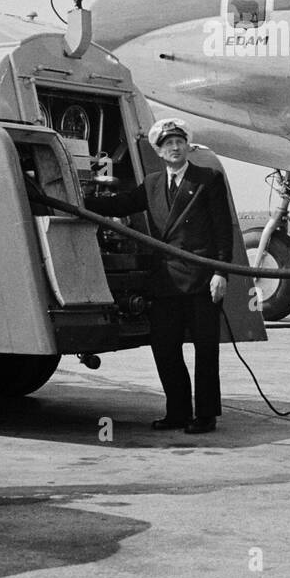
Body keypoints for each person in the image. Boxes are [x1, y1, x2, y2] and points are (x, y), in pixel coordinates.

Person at [85, 117, 231, 434]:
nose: (174, 148)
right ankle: (177, 412)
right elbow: (123, 202)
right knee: (164, 347)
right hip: (165, 280)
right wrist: (77, 201)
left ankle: (205, 415)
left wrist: (221, 273)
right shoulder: (152, 184)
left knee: (206, 350)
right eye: (167, 144)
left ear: (187, 146)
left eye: (179, 142)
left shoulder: (208, 179)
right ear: (159, 151)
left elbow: (223, 231)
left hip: (202, 279)